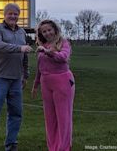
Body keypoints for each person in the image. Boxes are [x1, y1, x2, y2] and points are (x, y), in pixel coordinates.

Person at [0, 3, 32, 151]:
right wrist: (20, 48)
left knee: (16, 113)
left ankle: (11, 144)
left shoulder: (22, 32)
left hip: (16, 79)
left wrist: (25, 75)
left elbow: (24, 55)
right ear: (5, 14)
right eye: (10, 13)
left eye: (16, 14)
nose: (13, 16)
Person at [31, 19, 75, 151]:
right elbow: (40, 68)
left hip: (63, 82)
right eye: (44, 31)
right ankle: (53, 147)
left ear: (55, 29)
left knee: (63, 117)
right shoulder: (42, 46)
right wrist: (35, 85)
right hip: (46, 84)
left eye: (49, 30)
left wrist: (48, 52)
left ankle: (64, 147)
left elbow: (63, 57)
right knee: (49, 118)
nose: (47, 33)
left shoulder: (63, 43)